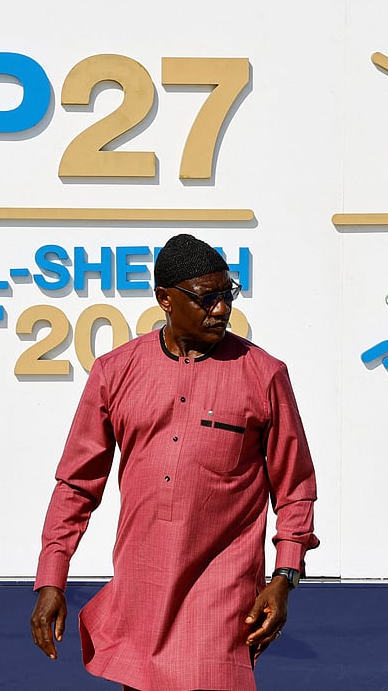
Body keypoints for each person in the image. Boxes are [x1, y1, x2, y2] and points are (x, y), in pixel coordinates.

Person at [30, 233, 319, 691]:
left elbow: (295, 486)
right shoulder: (115, 372)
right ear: (164, 298)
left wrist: (285, 576)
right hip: (141, 590)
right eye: (207, 298)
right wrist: (52, 578)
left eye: (228, 296)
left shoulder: (264, 375)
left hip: (223, 596)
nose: (222, 310)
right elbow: (76, 485)